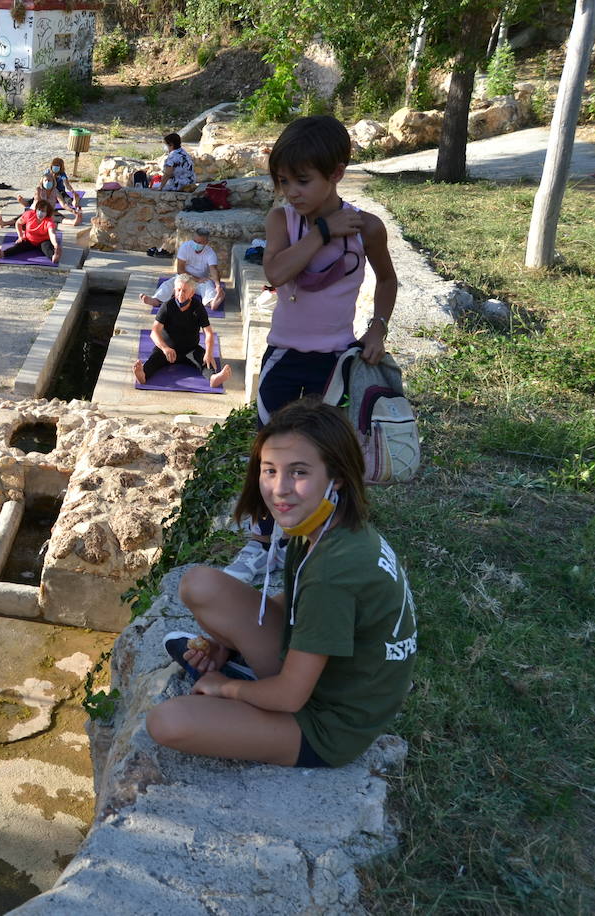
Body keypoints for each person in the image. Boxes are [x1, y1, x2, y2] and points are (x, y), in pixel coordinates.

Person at [145, 398, 417, 769]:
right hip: (318, 675)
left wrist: (227, 688)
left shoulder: (332, 571)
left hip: (327, 722)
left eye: (299, 472)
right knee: (200, 585)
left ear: (335, 476)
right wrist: (225, 642)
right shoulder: (327, 525)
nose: (279, 488)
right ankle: (239, 667)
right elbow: (292, 602)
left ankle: (243, 682)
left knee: (167, 722)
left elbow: (290, 697)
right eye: (269, 470)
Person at [223, 115, 397, 586]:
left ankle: (317, 536)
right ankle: (262, 544)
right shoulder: (283, 220)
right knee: (270, 450)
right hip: (284, 355)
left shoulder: (368, 229)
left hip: (335, 362)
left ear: (337, 172)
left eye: (303, 180)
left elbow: (387, 279)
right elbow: (277, 273)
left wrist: (378, 327)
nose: (291, 191)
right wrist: (323, 231)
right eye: (283, 181)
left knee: (321, 454)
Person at [134, 273, 232, 389]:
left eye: (185, 291)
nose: (181, 294)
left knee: (205, 361)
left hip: (190, 349)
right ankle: (143, 375)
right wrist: (165, 348)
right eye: (178, 290)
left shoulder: (198, 307)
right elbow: (154, 332)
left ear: (192, 293)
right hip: (168, 350)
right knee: (154, 359)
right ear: (174, 290)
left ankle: (213, 378)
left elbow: (208, 332)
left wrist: (209, 352)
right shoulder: (167, 306)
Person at [136, 228, 224, 310]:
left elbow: (214, 270)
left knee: (209, 287)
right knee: (169, 284)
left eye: (200, 242)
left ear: (206, 242)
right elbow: (180, 270)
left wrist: (218, 285)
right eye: (195, 241)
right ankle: (156, 299)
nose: (196, 244)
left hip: (201, 281)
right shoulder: (185, 247)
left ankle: (214, 300)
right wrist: (196, 279)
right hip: (185, 277)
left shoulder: (210, 253)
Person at [0, 199, 61, 265]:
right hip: (29, 240)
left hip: (43, 241)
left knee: (47, 249)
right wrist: (20, 236)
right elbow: (18, 223)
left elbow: (52, 233)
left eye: (43, 211)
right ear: (36, 209)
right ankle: (2, 254)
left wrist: (55, 245)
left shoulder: (49, 221)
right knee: (18, 247)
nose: (40, 212)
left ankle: (54, 257)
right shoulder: (29, 214)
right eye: (39, 210)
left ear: (47, 213)